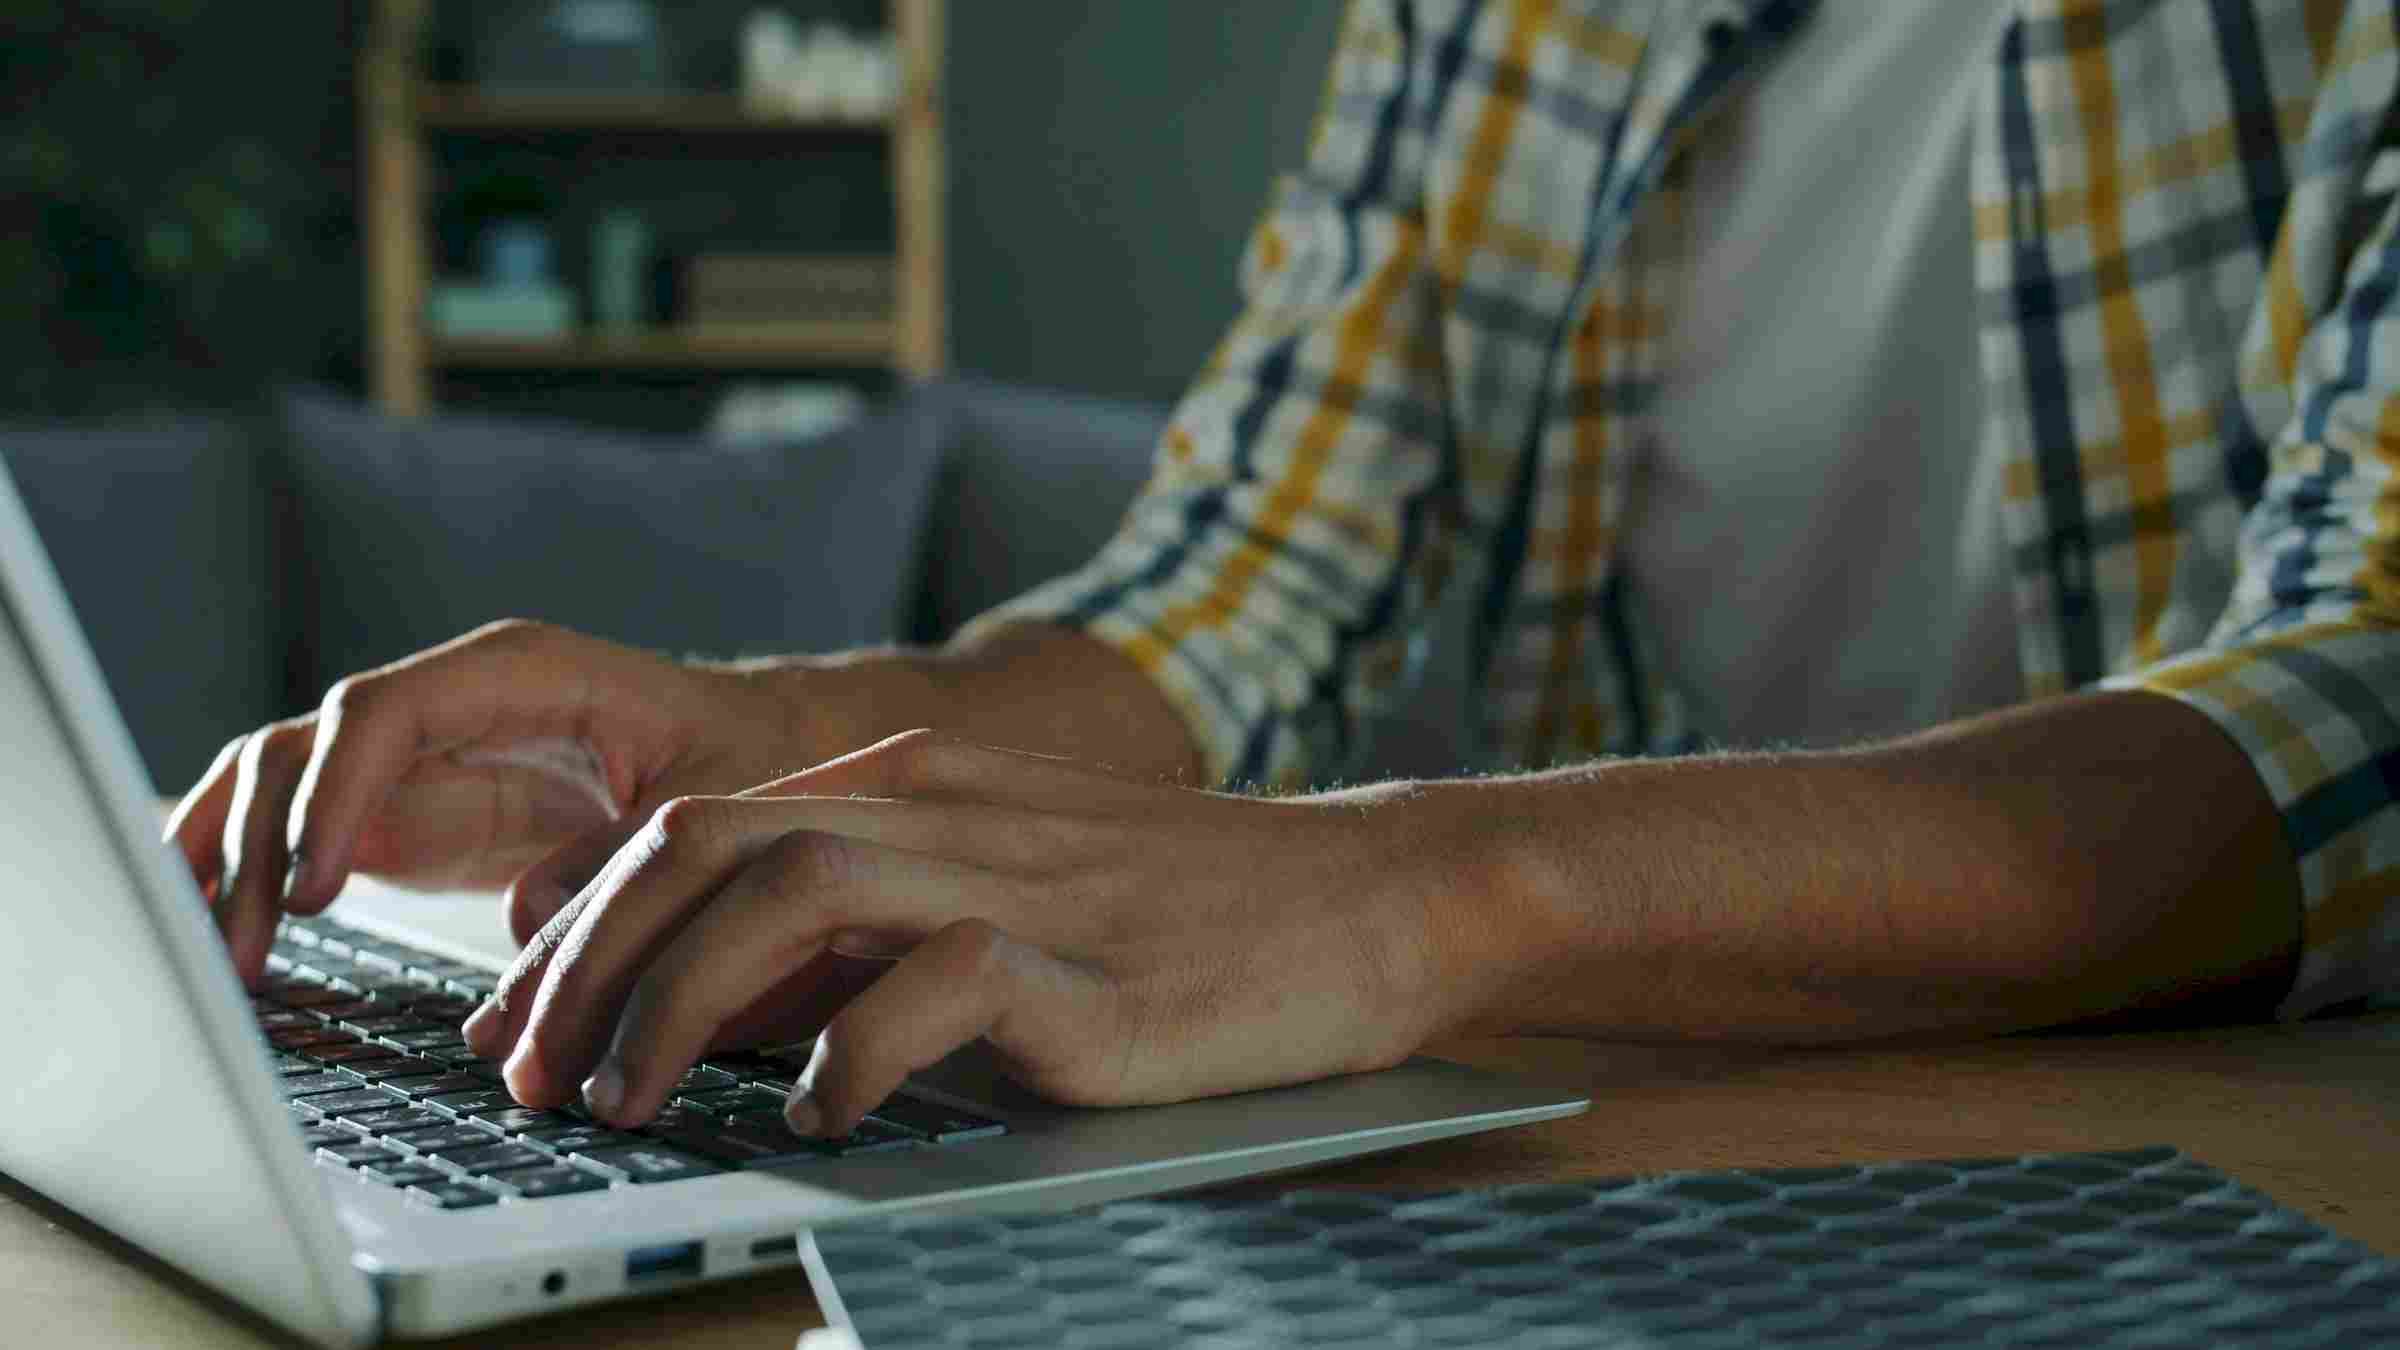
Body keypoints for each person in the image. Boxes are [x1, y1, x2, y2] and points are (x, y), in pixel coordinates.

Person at [173, 0, 2400, 1142]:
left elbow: (2362, 698)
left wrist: (1415, 894)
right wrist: (766, 749)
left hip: (2223, 1160)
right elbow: (1245, 586)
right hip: (1623, 1137)